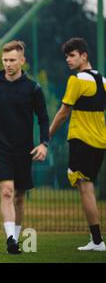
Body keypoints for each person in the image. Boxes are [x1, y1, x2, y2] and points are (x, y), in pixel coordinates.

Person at [0, 40, 49, 254]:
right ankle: (11, 240)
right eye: (5, 60)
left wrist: (44, 143)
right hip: (1, 148)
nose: (8, 64)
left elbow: (43, 118)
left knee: (19, 196)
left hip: (25, 149)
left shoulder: (33, 88)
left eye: (12, 60)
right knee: (7, 191)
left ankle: (15, 236)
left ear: (22, 61)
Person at [49, 37, 106, 251]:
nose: (68, 60)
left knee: (86, 189)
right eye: (66, 56)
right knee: (87, 186)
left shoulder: (77, 80)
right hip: (100, 142)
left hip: (82, 140)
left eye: (72, 55)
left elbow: (64, 112)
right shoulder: (103, 80)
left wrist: (47, 135)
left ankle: (98, 241)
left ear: (84, 56)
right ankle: (97, 240)